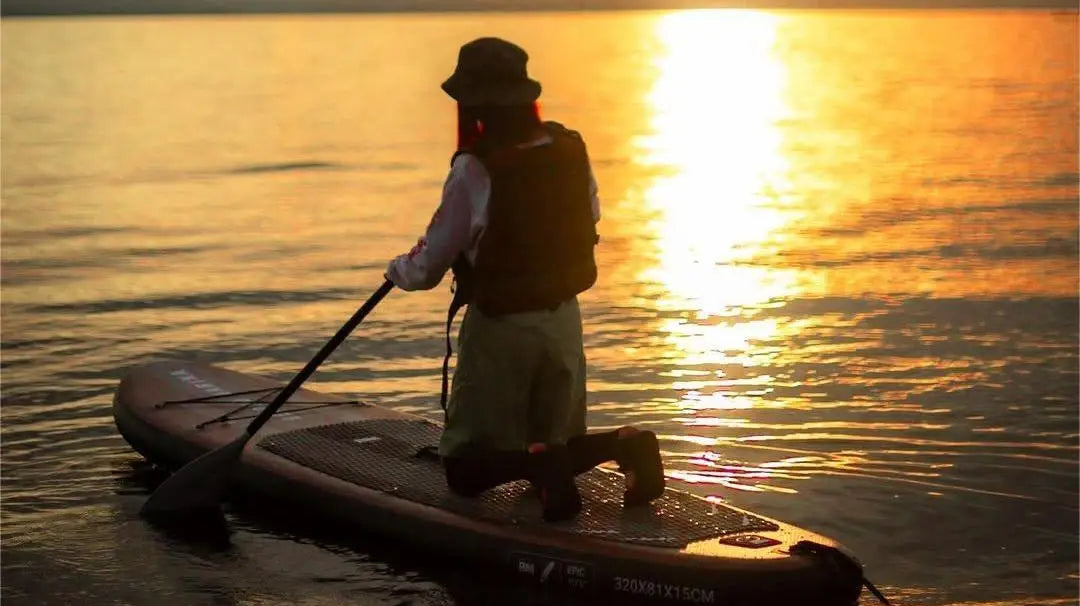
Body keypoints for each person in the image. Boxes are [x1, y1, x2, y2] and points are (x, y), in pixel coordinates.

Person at [386, 37, 664, 522]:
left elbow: (429, 265)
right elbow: (591, 216)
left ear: (473, 103)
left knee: (463, 471)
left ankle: (544, 470)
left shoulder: (475, 167)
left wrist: (397, 270)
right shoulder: (570, 149)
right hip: (562, 320)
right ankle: (625, 446)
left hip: (500, 330)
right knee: (556, 438)